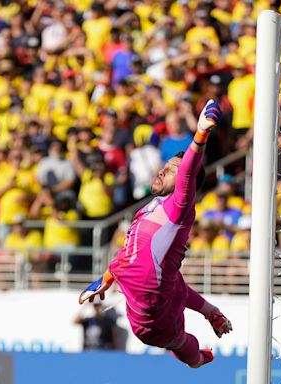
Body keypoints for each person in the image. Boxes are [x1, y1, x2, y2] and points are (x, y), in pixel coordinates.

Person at [79, 100, 232, 368]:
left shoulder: (180, 206)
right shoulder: (148, 209)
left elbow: (187, 172)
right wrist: (107, 277)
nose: (163, 169)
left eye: (173, 169)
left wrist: (201, 135)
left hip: (152, 320)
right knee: (172, 281)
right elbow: (130, 252)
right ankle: (211, 312)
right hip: (152, 293)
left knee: (180, 341)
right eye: (166, 164)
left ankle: (194, 358)